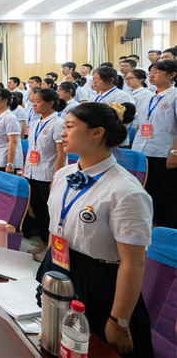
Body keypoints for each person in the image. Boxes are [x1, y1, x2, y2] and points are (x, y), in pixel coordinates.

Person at [36, 102, 153, 357]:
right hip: (58, 268)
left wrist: (118, 320)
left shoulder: (126, 191)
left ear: (97, 132)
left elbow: (133, 263)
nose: (62, 133)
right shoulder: (63, 175)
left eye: (69, 127)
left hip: (98, 284)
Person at [132, 60, 177, 228]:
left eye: (157, 72)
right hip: (143, 151)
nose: (152, 76)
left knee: (169, 193)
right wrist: (135, 149)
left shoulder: (174, 96)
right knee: (150, 191)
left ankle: (170, 229)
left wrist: (175, 152)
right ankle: (155, 225)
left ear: (172, 75)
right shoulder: (147, 98)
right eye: (150, 73)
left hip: (164, 152)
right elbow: (141, 124)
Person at [23, 89, 66, 261]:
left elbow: (61, 154)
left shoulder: (58, 123)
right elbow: (31, 149)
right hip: (32, 172)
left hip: (47, 174)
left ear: (50, 103)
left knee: (50, 213)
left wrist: (56, 177)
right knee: (38, 211)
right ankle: (43, 242)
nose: (34, 104)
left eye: (38, 101)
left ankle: (51, 248)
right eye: (33, 101)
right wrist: (25, 170)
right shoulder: (35, 123)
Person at [0, 88, 22, 173]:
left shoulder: (10, 118)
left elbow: (13, 142)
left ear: (5, 100)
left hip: (4, 162)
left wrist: (10, 164)